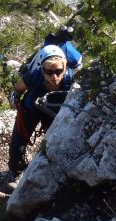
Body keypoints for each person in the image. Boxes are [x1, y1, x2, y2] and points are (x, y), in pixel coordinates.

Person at [8, 43, 77, 176]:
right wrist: (14, 100)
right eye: (49, 72)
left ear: (65, 67)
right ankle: (17, 173)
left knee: (54, 145)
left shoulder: (71, 79)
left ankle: (49, 174)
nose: (54, 77)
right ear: (42, 69)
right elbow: (16, 90)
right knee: (17, 146)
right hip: (31, 109)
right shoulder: (34, 75)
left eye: (58, 71)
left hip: (54, 113)